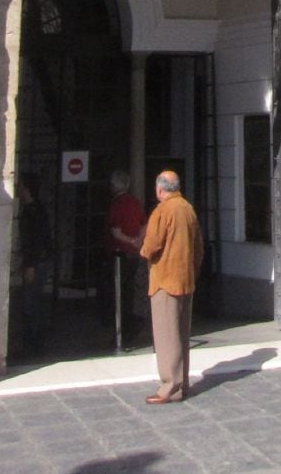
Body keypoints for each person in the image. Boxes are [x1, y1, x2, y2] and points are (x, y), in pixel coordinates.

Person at [139, 169, 204, 404]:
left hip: (165, 280)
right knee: (181, 334)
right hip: (185, 279)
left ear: (159, 189)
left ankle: (169, 386)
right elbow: (199, 247)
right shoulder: (188, 209)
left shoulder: (163, 210)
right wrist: (192, 271)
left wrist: (143, 251)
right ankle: (181, 384)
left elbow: (151, 245)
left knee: (167, 336)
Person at [106, 169, 144, 347]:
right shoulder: (135, 202)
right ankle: (130, 325)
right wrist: (138, 241)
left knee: (119, 293)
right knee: (130, 290)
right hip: (134, 253)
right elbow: (144, 224)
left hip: (120, 255)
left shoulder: (117, 204)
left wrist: (129, 241)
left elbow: (115, 232)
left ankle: (123, 328)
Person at [18, 171, 52, 357]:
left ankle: (34, 343)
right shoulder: (36, 210)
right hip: (38, 261)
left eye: (21, 186)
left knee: (31, 302)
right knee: (33, 301)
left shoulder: (33, 212)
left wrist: (30, 264)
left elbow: (35, 240)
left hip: (36, 262)